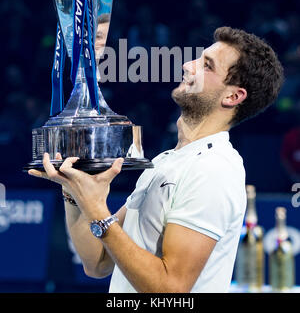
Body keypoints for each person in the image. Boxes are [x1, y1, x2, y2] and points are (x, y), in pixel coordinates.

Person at [29, 26, 284, 293]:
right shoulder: (166, 160)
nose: (188, 65)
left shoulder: (214, 168)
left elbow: (170, 289)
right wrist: (73, 190)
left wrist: (96, 209)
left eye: (207, 66)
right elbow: (98, 262)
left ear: (233, 96)